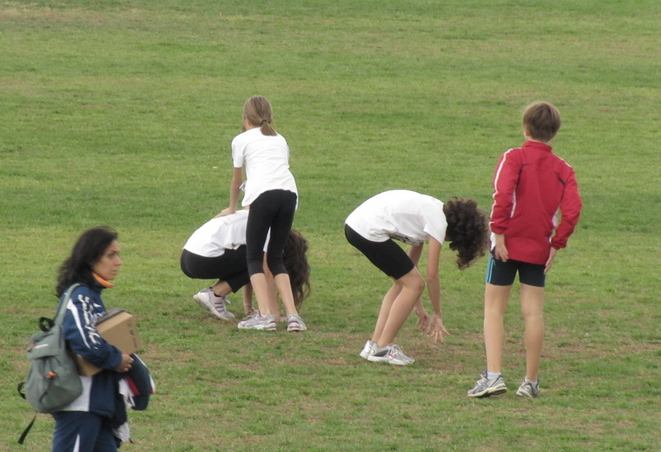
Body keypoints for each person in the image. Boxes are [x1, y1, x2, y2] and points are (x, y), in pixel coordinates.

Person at [18, 227, 183, 452]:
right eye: (112, 255)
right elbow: (81, 339)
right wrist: (116, 358)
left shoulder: (91, 296)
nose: (119, 261)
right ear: (91, 257)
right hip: (80, 407)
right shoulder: (79, 295)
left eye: (119, 254)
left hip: (94, 406)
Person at [468, 102, 582, 399]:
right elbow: (572, 212)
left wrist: (499, 233)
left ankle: (493, 376)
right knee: (533, 313)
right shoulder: (564, 170)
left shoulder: (514, 157)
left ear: (525, 128)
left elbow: (502, 195)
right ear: (554, 133)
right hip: (538, 247)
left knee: (494, 309)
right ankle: (530, 382)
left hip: (506, 244)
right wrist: (557, 244)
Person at [345, 191, 488, 365]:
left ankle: (374, 345)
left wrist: (418, 308)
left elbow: (411, 267)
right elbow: (431, 275)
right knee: (413, 284)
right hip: (366, 230)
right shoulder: (438, 222)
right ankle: (383, 349)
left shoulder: (431, 213)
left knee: (403, 283)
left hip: (356, 226)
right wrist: (438, 313)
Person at [216, 95, 306, 332]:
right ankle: (294, 316)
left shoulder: (241, 139)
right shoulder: (280, 138)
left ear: (245, 118)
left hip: (263, 196)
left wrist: (232, 207)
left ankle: (265, 316)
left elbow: (237, 179)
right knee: (275, 258)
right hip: (289, 195)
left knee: (254, 257)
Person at [180, 209, 311, 320]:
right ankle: (215, 294)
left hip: (187, 257)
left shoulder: (254, 213)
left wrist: (248, 307)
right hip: (201, 260)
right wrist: (273, 314)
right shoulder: (269, 228)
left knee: (254, 258)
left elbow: (252, 271)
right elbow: (265, 271)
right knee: (261, 259)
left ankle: (215, 294)